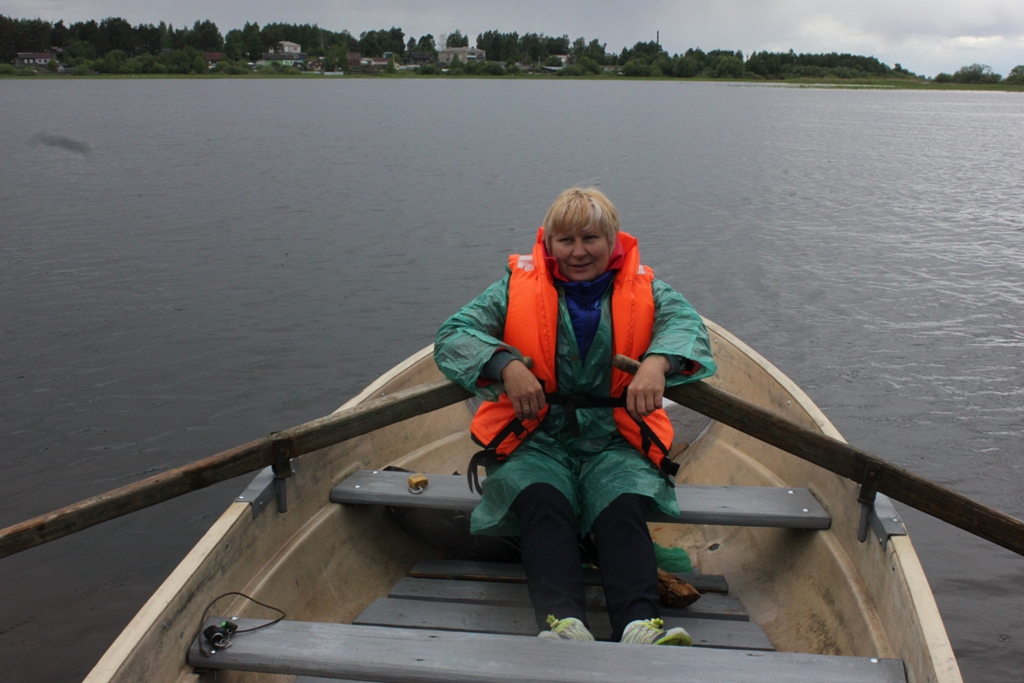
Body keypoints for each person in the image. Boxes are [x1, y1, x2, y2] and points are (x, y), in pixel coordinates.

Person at [434, 187, 716, 645]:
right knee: (544, 503)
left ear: (613, 241)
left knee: (621, 505)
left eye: (590, 238)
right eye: (565, 240)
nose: (578, 252)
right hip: (537, 437)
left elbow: (688, 329)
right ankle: (564, 625)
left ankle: (639, 627)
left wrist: (657, 362)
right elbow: (453, 335)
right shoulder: (511, 288)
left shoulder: (649, 289)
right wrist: (503, 365)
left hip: (614, 440)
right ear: (548, 244)